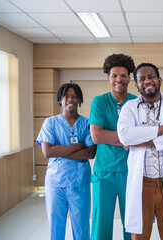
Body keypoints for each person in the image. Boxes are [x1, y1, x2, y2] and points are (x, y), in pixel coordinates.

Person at [117, 62, 163, 240]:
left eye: (151, 76)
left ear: (159, 80)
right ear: (136, 85)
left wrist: (145, 141)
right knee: (140, 236)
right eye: (141, 79)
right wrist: (160, 130)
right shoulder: (129, 107)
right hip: (142, 182)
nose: (147, 81)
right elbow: (125, 137)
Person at [36, 83, 97, 240]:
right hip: (55, 183)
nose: (70, 99)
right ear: (60, 100)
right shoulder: (50, 123)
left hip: (79, 182)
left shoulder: (87, 123)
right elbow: (47, 151)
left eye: (74, 96)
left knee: (82, 227)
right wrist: (78, 146)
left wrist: (60, 150)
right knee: (56, 226)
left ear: (79, 100)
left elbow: (90, 153)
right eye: (66, 96)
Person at [88, 53, 136, 240]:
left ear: (129, 79)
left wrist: (114, 137)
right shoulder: (99, 102)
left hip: (130, 172)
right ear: (108, 78)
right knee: (100, 225)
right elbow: (97, 136)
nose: (119, 79)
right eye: (114, 75)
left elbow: (142, 137)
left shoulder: (136, 102)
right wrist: (128, 138)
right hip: (104, 174)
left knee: (131, 225)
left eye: (123, 75)